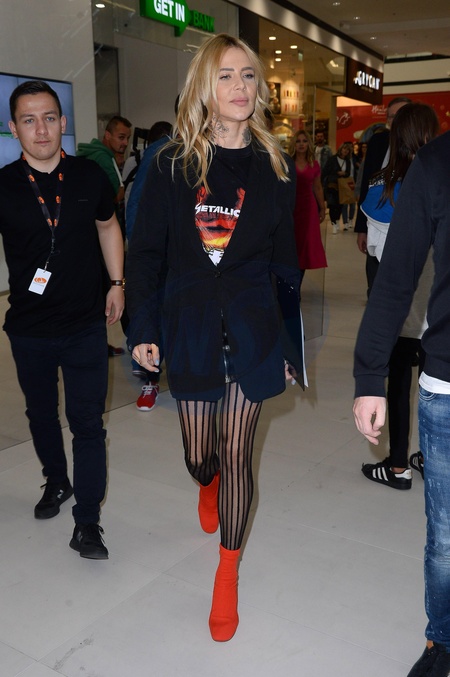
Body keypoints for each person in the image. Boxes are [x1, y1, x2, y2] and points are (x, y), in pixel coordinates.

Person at [126, 33, 304, 642]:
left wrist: (290, 349)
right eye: (226, 75)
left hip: (254, 329)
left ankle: (227, 573)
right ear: (204, 86)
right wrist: (143, 327)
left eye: (248, 75)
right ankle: (207, 485)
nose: (239, 87)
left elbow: (285, 266)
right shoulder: (170, 165)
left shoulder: (276, 169)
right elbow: (146, 255)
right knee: (200, 456)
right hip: (191, 326)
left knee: (237, 453)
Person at [0, 80, 124, 559]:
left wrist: (117, 283)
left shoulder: (89, 176)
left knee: (87, 422)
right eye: (29, 120)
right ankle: (56, 479)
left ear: (63, 123)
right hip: (28, 328)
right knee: (41, 414)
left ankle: (87, 521)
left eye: (49, 118)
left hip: (85, 323)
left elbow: (108, 226)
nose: (41, 129)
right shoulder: (5, 185)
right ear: (14, 129)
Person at [352, 128, 450, 676]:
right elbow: (395, 279)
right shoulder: (435, 164)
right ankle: (443, 642)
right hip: (448, 385)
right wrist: (370, 374)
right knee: (446, 541)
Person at [357, 102, 439, 490]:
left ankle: (397, 466)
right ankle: (431, 457)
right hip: (437, 306)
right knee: (435, 385)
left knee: (399, 384)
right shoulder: (440, 179)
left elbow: (376, 250)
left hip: (401, 307)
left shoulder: (382, 184)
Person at [123, 120, 173, 411]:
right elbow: (138, 204)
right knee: (152, 312)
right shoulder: (162, 152)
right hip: (160, 254)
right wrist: (139, 250)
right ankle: (150, 377)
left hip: (188, 257)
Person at [77, 115, 132, 356]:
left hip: (89, 239)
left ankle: (98, 345)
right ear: (107, 135)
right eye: (121, 137)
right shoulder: (102, 159)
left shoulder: (88, 156)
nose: (124, 143)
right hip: (100, 240)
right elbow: (114, 196)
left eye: (127, 138)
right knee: (103, 292)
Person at [354, 97, 412, 293]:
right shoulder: (378, 142)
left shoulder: (421, 147)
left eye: (401, 115)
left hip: (406, 231)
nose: (396, 120)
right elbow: (366, 187)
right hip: (376, 227)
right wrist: (362, 228)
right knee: (375, 286)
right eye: (392, 116)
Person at [288, 130, 327, 290]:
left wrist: (322, 208)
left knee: (304, 246)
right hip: (291, 207)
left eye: (304, 141)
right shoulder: (287, 162)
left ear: (309, 144)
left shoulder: (314, 164)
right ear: (293, 144)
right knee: (292, 244)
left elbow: (317, 187)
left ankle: (297, 286)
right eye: (298, 141)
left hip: (308, 209)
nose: (301, 144)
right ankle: (290, 283)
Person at [322, 142, 356, 234]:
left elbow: (348, 173)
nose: (345, 151)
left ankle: (337, 220)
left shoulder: (348, 161)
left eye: (347, 149)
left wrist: (344, 173)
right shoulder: (332, 159)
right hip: (332, 185)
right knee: (332, 205)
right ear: (340, 149)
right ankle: (334, 223)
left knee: (340, 205)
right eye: (344, 148)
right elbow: (326, 171)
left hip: (342, 186)